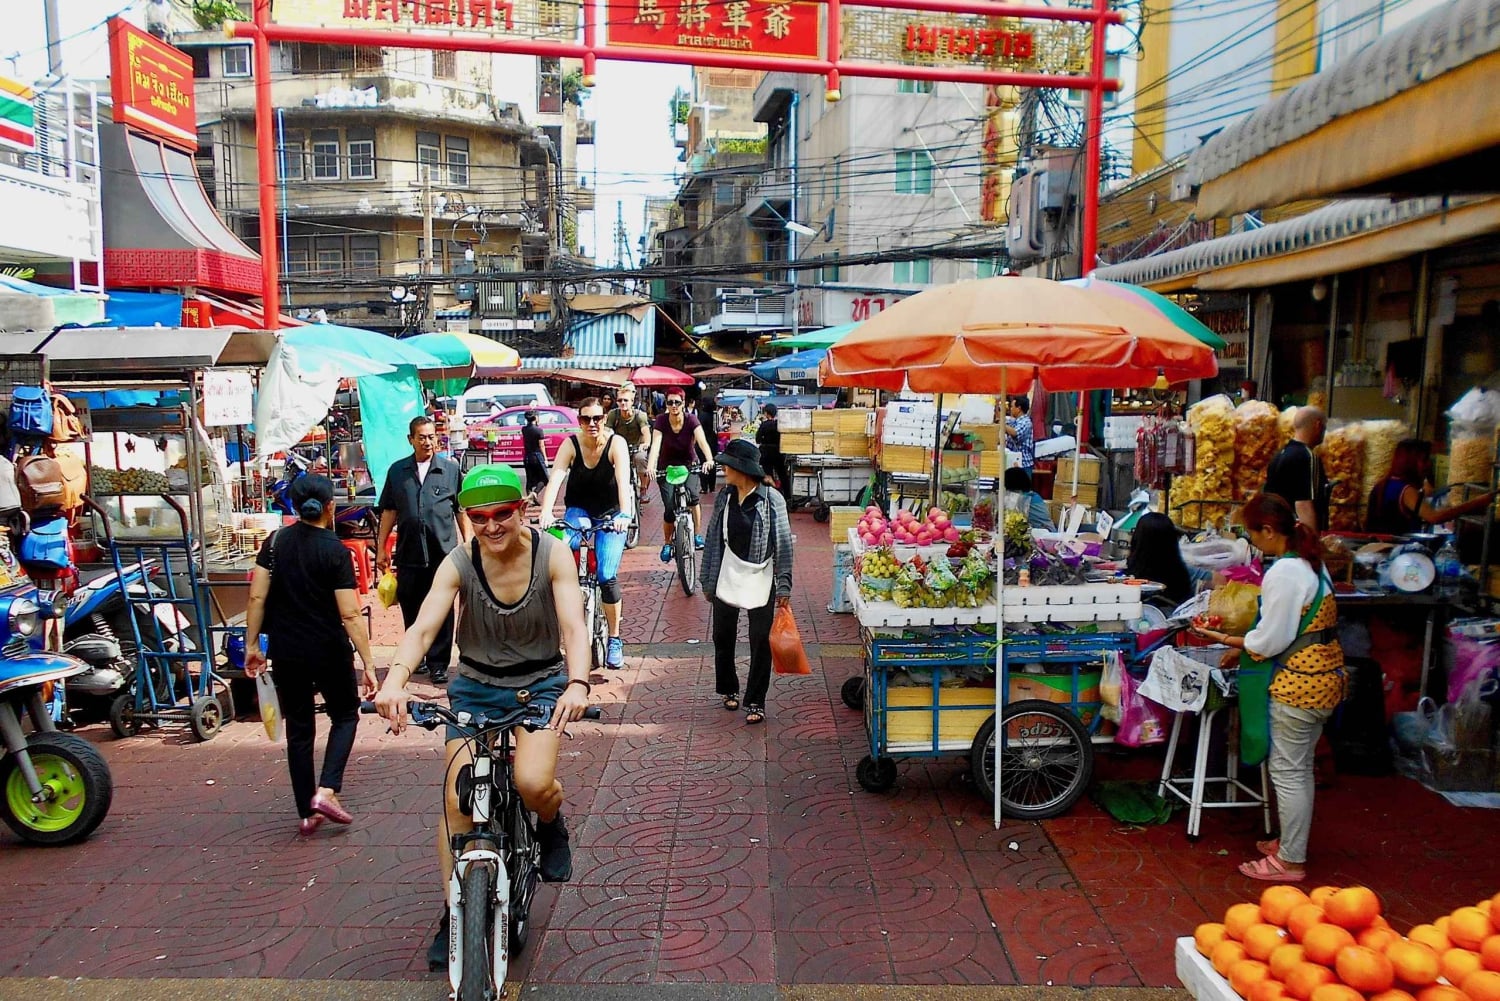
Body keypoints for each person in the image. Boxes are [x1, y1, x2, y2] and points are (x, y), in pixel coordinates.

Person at [375, 464, 593, 970]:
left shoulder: (552, 554)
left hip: (540, 683)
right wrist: (396, 678)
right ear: (467, 518)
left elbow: (574, 627)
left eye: (503, 514)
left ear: (521, 510)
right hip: (476, 685)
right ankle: (455, 911)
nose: (492, 526)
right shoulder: (458, 562)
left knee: (534, 781)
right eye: (480, 517)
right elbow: (424, 624)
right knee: (456, 801)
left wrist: (578, 682)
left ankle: (550, 823)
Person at [1192, 492, 1345, 883]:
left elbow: (1271, 639)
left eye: (1252, 534)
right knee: (1299, 769)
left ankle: (1290, 861)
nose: (1251, 542)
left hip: (1299, 684)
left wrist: (1229, 642)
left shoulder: (1285, 573)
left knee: (1289, 772)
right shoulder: (1312, 564)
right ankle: (1289, 843)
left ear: (1269, 530)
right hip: (1324, 678)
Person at [244, 474, 378, 836]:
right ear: (330, 507)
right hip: (328, 648)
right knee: (345, 715)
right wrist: (368, 663)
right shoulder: (335, 550)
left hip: (287, 650)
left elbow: (256, 597)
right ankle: (327, 790)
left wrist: (252, 644)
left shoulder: (273, 544)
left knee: (300, 729)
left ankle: (306, 812)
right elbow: (350, 613)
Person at [699, 439, 794, 726]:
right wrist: (707, 580)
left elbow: (783, 544)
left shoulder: (771, 499)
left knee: (761, 640)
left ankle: (756, 700)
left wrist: (785, 584)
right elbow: (713, 539)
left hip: (761, 576)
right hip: (727, 572)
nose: (723, 469)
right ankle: (728, 688)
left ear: (742, 469)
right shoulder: (725, 497)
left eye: (727, 465)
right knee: (722, 635)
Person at [537, 397, 634, 669]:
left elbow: (623, 481)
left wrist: (624, 515)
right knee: (557, 548)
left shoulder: (617, 444)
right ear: (578, 421)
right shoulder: (571, 444)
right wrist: (546, 512)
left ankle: (614, 638)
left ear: (605, 419)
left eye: (597, 419)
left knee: (606, 575)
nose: (592, 424)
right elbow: (555, 477)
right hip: (578, 511)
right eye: (585, 419)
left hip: (611, 515)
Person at [376, 416, 471, 684]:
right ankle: (415, 656)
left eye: (431, 437)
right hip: (409, 552)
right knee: (411, 605)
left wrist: (468, 544)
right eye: (422, 437)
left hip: (443, 553)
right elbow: (389, 510)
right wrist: (381, 546)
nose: (427, 442)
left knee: (442, 607)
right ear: (411, 439)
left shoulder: (450, 470)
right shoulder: (397, 472)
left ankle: (439, 663)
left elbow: (460, 510)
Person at [645, 386, 716, 563]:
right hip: (666, 468)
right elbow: (655, 446)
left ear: (683, 403)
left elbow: (702, 441)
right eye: (670, 402)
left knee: (693, 497)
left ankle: (697, 534)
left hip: (688, 465)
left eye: (677, 402)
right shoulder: (661, 421)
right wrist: (651, 466)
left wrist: (708, 459)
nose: (674, 406)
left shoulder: (692, 420)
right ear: (666, 404)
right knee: (669, 507)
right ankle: (668, 543)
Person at [1365, 438, 1495, 534]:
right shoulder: (1406, 490)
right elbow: (1434, 517)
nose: (1428, 465)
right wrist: (1477, 502)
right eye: (1424, 460)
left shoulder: (1383, 483)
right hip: (1396, 552)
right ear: (1410, 462)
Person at [1264, 406, 1328, 531]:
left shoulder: (1280, 454)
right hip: (1295, 533)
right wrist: (1312, 544)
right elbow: (1304, 505)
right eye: (1324, 427)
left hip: (1276, 530)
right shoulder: (1307, 456)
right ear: (1318, 425)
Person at [1125, 511, 1208, 606]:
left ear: (1137, 539)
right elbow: (1219, 579)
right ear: (1173, 540)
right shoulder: (1184, 570)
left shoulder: (1131, 572)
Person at [604, 382, 652, 503]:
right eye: (620, 400)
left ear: (632, 401)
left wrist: (645, 444)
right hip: (619, 448)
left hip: (637, 447)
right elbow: (607, 431)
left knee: (641, 459)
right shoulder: (613, 414)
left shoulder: (640, 415)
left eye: (626, 400)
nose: (623, 403)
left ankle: (643, 490)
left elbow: (646, 432)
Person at [1003, 467, 1054, 532]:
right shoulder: (1033, 495)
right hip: (1046, 530)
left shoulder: (1024, 498)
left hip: (1041, 533)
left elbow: (1011, 518)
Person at [756, 403, 789, 500]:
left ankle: (769, 495)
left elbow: (758, 439)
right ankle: (787, 495)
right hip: (778, 452)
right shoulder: (779, 425)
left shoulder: (763, 425)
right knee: (782, 475)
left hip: (766, 453)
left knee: (768, 475)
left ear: (766, 413)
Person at [521, 408, 548, 503]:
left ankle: (530, 497)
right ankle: (535, 493)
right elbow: (542, 445)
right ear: (535, 418)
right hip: (537, 456)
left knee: (529, 478)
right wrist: (545, 458)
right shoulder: (539, 430)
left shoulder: (524, 429)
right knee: (545, 478)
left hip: (527, 456)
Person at [1004, 395, 1035, 471]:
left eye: (1012, 407)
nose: (1011, 409)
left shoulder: (1026, 422)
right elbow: (1005, 421)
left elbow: (1015, 433)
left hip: (1024, 464)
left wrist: (1002, 424)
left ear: (1018, 409)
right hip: (1014, 463)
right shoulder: (1015, 421)